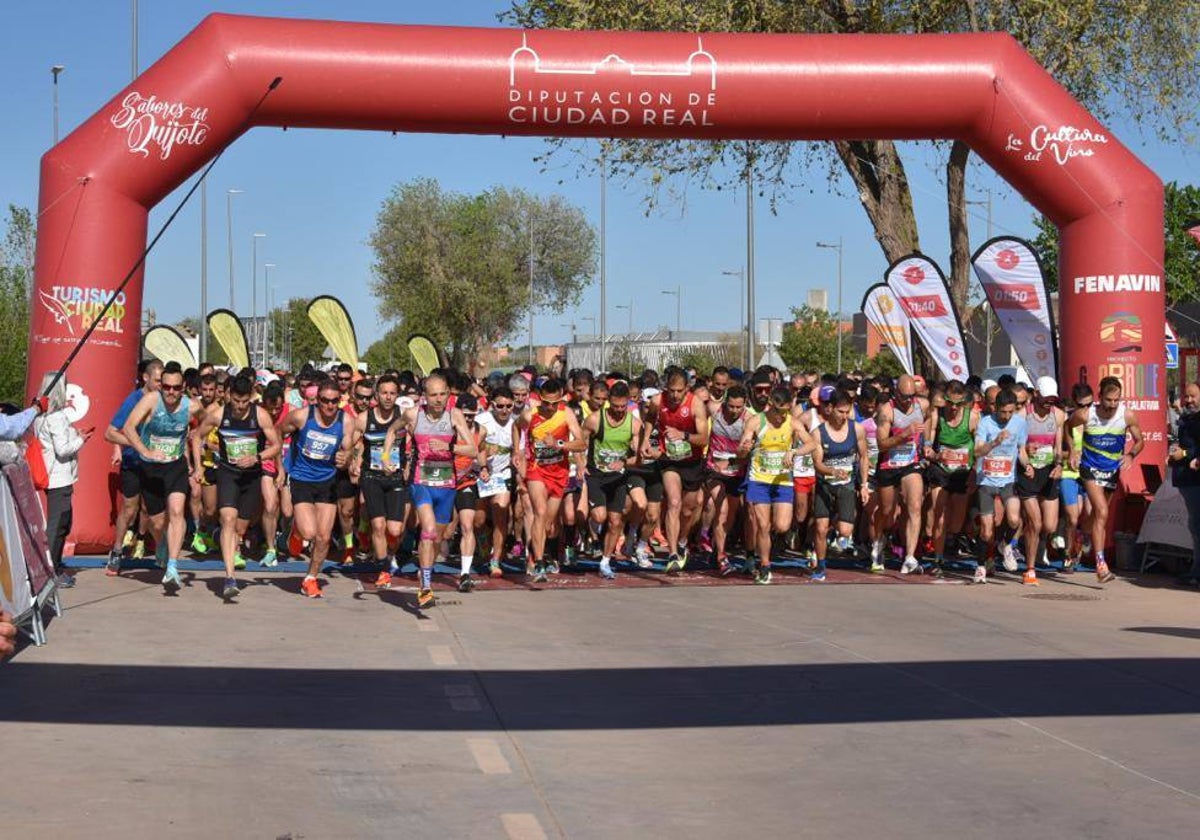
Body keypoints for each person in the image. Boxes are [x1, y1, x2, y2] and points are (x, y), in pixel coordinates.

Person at [383, 373, 477, 607]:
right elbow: (392, 431)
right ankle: (425, 588)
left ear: (448, 394)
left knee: (438, 538)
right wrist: (387, 457)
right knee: (428, 529)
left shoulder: (454, 415)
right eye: (433, 395)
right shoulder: (414, 414)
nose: (438, 399)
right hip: (420, 482)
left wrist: (450, 446)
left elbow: (473, 450)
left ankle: (426, 570)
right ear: (424, 396)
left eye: (442, 394)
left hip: (446, 486)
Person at [120, 362, 207, 594]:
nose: (171, 392)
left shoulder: (192, 406)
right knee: (157, 523)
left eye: (176, 388)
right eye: (166, 387)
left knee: (177, 511)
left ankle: (173, 567)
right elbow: (128, 428)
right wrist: (145, 452)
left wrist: (198, 446)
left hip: (175, 466)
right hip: (150, 468)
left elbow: (207, 424)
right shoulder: (151, 401)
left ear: (184, 387)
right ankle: (162, 545)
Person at [192, 374, 281, 599]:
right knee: (228, 520)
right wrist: (198, 468)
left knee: (240, 527)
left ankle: (227, 542)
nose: (240, 407)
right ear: (229, 395)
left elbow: (276, 445)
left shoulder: (259, 415)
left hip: (251, 477)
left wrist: (257, 458)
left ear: (251, 397)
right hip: (228, 474)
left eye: (244, 402)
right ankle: (230, 576)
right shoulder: (219, 415)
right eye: (236, 401)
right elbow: (195, 437)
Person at [277, 377, 354, 598]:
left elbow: (349, 449)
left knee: (323, 537)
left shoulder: (346, 421)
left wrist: (346, 458)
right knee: (310, 532)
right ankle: (296, 530)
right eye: (325, 401)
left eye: (334, 401)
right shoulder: (302, 417)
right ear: (317, 400)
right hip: (301, 477)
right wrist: (280, 466)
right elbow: (277, 433)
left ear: (339, 400)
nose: (330, 406)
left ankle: (310, 578)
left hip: (327, 481)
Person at [1066, 376, 1143, 584]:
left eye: (1116, 400)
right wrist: (1073, 450)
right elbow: (1067, 427)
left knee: (1097, 518)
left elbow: (1139, 441)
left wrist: (1130, 455)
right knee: (1102, 512)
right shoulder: (1085, 414)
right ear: (1100, 397)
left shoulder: (1126, 415)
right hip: (1090, 468)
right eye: (1108, 400)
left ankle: (1082, 535)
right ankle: (1101, 566)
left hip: (1111, 471)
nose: (1112, 405)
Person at [739, 385, 815, 585]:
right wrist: (744, 449)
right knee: (762, 526)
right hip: (759, 480)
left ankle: (767, 544)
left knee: (781, 526)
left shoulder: (792, 422)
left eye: (787, 411)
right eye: (780, 411)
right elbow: (741, 450)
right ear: (771, 404)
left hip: (782, 481)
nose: (783, 416)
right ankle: (764, 565)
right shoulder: (756, 422)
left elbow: (811, 444)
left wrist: (794, 452)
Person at [513, 377, 585, 582]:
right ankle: (538, 563)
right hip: (537, 470)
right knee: (540, 512)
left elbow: (581, 444)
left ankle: (532, 550)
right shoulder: (530, 415)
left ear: (560, 399)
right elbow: (515, 427)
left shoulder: (566, 414)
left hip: (559, 473)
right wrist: (517, 451)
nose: (551, 407)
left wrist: (560, 444)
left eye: (555, 403)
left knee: (548, 523)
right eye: (546, 403)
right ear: (540, 399)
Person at [647, 369, 710, 573]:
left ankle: (683, 540)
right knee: (674, 502)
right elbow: (649, 418)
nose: (674, 395)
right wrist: (646, 440)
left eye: (679, 391)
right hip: (670, 460)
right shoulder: (658, 401)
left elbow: (703, 438)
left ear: (687, 389)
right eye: (671, 390)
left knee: (688, 509)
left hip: (692, 461)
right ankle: (673, 554)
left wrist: (682, 435)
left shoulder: (696, 404)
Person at [104, 359, 162, 574]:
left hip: (156, 464)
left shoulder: (165, 400)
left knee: (155, 513)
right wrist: (137, 445)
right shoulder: (134, 400)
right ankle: (117, 551)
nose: (161, 385)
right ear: (145, 378)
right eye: (157, 381)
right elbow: (109, 433)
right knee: (130, 509)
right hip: (134, 463)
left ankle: (161, 552)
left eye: (163, 381)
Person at [33, 373, 91, 589]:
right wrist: (80, 439)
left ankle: (52, 565)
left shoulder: (41, 417)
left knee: (61, 523)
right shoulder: (56, 417)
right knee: (58, 525)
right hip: (59, 477)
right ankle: (51, 570)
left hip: (53, 476)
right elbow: (63, 449)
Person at [580, 380, 641, 579]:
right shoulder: (595, 420)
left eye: (623, 406)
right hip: (596, 475)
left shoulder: (633, 423)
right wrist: (580, 465)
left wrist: (624, 462)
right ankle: (591, 533)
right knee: (599, 516)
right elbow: (580, 443)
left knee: (615, 521)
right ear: (609, 402)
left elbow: (638, 457)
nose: (619, 410)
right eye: (615, 406)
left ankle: (605, 561)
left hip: (618, 478)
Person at [355, 374, 409, 589]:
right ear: (376, 394)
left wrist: (408, 465)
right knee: (378, 525)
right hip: (372, 476)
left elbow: (415, 440)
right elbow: (352, 441)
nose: (388, 397)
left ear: (397, 395)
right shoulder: (364, 418)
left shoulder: (403, 416)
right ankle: (384, 569)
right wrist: (352, 458)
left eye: (392, 393)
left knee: (394, 530)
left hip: (395, 477)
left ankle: (389, 554)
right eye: (384, 392)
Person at [811, 389, 870, 583]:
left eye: (847, 412)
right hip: (825, 484)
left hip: (846, 484)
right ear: (830, 409)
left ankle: (833, 530)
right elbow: (817, 463)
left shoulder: (857, 429)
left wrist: (864, 484)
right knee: (820, 527)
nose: (844, 416)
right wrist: (832, 471)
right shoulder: (818, 433)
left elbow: (863, 457)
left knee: (845, 532)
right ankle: (820, 565)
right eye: (840, 412)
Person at [973, 389, 1029, 584]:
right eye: (1003, 412)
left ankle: (1006, 545)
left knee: (1014, 519)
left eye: (1010, 412)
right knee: (987, 530)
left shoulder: (1020, 423)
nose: (1006, 416)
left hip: (1007, 480)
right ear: (995, 408)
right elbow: (977, 451)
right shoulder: (985, 423)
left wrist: (1027, 465)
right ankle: (980, 566)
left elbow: (1021, 450)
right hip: (986, 481)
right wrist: (995, 442)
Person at [874, 374, 929, 574]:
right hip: (889, 465)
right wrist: (904, 434)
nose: (908, 401)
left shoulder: (921, 405)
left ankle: (910, 557)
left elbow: (930, 420)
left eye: (911, 396)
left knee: (915, 506)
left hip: (910, 464)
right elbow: (881, 445)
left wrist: (927, 443)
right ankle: (878, 541)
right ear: (895, 393)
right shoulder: (887, 411)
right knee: (886, 512)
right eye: (904, 397)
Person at [925, 379, 977, 575]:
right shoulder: (936, 415)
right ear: (944, 399)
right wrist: (935, 454)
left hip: (963, 472)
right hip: (941, 469)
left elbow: (979, 448)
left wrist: (974, 473)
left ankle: (952, 538)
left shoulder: (972, 417)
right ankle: (937, 560)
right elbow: (927, 447)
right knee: (940, 517)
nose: (954, 407)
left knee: (955, 523)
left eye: (959, 403)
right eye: (950, 402)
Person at [1016, 377, 1065, 585]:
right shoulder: (1022, 415)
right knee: (1035, 523)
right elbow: (1018, 446)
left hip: (1048, 472)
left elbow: (1058, 446)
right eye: (1046, 399)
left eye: (1052, 400)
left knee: (1050, 525)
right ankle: (1030, 569)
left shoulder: (1059, 415)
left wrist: (1059, 465)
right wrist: (1026, 460)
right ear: (1036, 394)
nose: (1049, 403)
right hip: (1028, 472)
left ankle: (1026, 542)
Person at [704, 384, 750, 575]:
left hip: (736, 472)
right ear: (725, 403)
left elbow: (747, 454)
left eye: (738, 407)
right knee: (721, 510)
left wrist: (730, 460)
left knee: (730, 515)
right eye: (731, 406)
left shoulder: (749, 420)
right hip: (713, 470)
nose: (734, 411)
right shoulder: (714, 410)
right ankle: (722, 557)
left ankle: (717, 546)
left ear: (744, 405)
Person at [476, 386, 517, 577]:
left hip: (502, 474)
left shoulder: (516, 424)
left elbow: (519, 452)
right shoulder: (481, 420)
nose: (505, 410)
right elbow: (471, 448)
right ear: (492, 405)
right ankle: (483, 538)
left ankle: (496, 560)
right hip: (479, 475)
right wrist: (483, 457)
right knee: (478, 520)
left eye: (509, 406)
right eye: (500, 406)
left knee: (501, 515)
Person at [451, 393, 487, 592]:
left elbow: (480, 450)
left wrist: (483, 467)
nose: (467, 420)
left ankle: (465, 574)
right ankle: (427, 566)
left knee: (467, 525)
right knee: (444, 532)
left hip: (466, 482)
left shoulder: (481, 431)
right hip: (444, 483)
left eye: (471, 416)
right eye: (464, 415)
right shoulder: (446, 429)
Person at [1057, 383, 1093, 572]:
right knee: (1072, 517)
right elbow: (1057, 452)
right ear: (1074, 403)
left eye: (1089, 405)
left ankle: (1083, 535)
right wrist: (1070, 455)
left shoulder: (1096, 420)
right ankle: (1068, 555)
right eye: (1081, 406)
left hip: (1089, 472)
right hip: (1069, 473)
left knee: (1090, 512)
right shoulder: (1067, 422)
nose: (1085, 410)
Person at [1169, 381, 1200, 585]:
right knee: (1195, 527)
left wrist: (1185, 454)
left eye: (1193, 396)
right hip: (1187, 480)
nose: (1188, 400)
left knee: (1197, 526)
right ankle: (1195, 570)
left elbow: (1194, 449)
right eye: (1186, 396)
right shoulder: (1187, 418)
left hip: (1195, 480)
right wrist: (1174, 454)